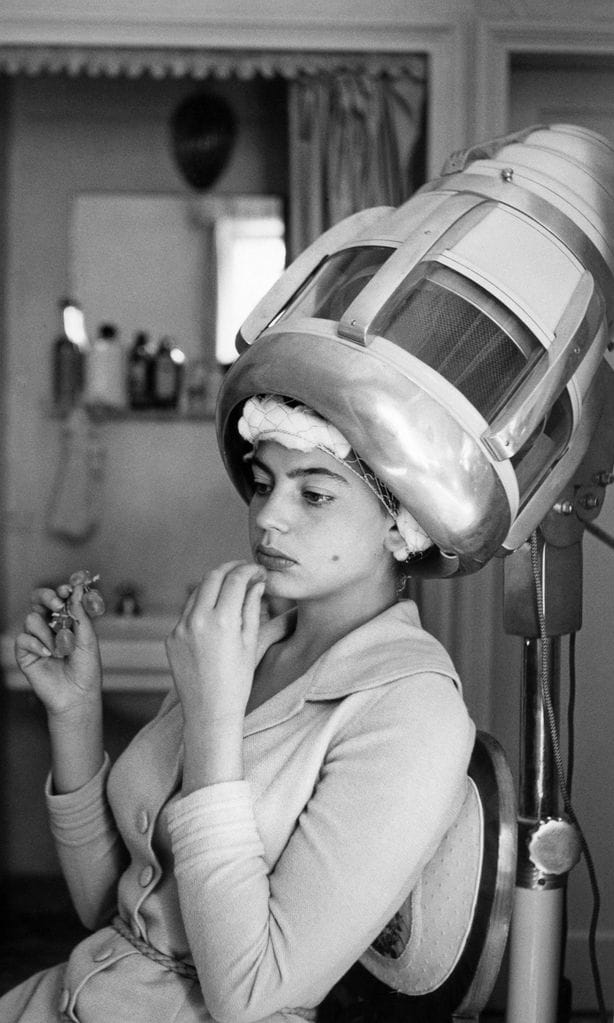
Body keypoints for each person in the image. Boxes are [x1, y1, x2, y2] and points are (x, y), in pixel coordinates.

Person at [2, 393, 475, 1023]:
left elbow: (250, 995)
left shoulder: (414, 712)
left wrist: (214, 720)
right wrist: (76, 713)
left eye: (314, 494)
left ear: (400, 522)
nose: (267, 518)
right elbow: (109, 910)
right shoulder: (242, 646)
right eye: (262, 483)